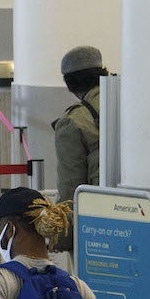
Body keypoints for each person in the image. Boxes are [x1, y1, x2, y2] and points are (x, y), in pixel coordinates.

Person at [53, 44, 107, 200]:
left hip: (98, 212)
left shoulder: (72, 121)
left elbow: (70, 189)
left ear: (69, 84)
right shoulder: (126, 102)